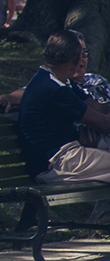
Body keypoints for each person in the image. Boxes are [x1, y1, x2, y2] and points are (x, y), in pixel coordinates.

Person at [10, 31, 110, 183]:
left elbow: (98, 108)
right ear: (76, 58)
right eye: (82, 54)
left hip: (68, 156)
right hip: (56, 163)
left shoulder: (60, 81)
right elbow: (104, 124)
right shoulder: (54, 88)